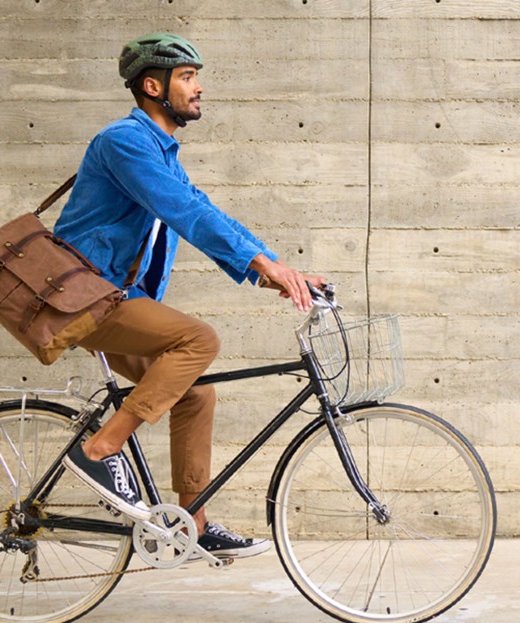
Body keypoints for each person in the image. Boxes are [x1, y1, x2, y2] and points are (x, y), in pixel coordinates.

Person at [53, 32, 324, 560]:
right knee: (199, 340)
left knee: (196, 393)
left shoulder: (161, 152)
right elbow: (185, 212)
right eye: (187, 77)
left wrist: (272, 271)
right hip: (87, 294)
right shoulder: (124, 142)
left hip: (115, 295)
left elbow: (204, 209)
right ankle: (100, 450)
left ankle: (191, 526)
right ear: (153, 87)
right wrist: (263, 264)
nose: (198, 88)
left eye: (196, 77)